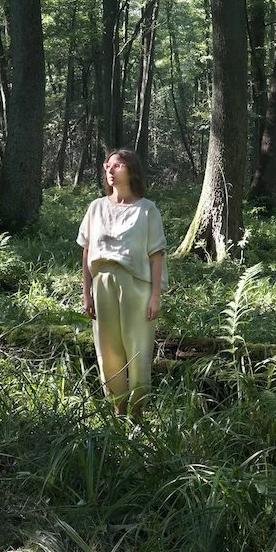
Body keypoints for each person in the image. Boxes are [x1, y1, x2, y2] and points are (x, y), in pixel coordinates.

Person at [77, 149, 168, 419]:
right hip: (102, 283)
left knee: (137, 349)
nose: (111, 170)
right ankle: (118, 410)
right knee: (108, 351)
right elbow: (86, 251)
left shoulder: (146, 209)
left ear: (131, 170)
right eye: (108, 165)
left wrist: (155, 296)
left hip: (136, 286)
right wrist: (86, 294)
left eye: (117, 165)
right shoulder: (96, 208)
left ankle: (138, 413)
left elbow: (156, 253)